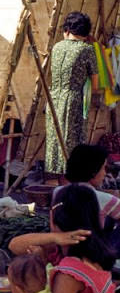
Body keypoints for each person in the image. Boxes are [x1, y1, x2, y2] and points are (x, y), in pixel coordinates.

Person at [45, 11, 99, 179]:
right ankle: (70, 181)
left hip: (54, 99)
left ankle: (55, 181)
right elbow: (95, 85)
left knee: (56, 139)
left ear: (67, 30)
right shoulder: (87, 50)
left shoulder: (57, 47)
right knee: (73, 142)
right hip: (74, 101)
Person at [58, 144, 120, 251]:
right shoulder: (106, 199)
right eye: (103, 168)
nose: (105, 173)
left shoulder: (57, 192)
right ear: (93, 172)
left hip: (65, 247)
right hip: (94, 252)